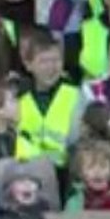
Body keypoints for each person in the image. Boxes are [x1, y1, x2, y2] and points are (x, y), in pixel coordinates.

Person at [18, 29, 86, 171]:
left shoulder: (75, 95)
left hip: (65, 172)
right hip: (26, 172)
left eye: (56, 60)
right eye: (43, 61)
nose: (51, 67)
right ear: (29, 65)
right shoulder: (18, 99)